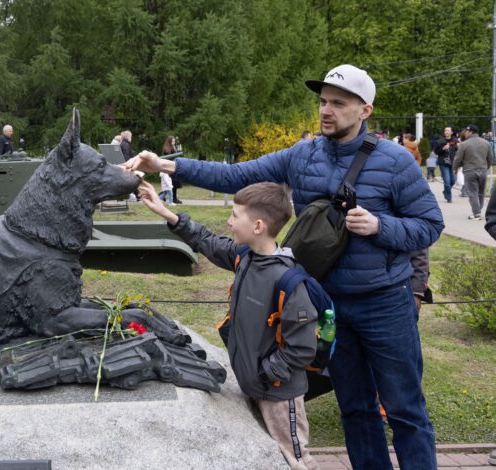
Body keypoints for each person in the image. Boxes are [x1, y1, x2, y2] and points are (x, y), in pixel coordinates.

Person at [126, 64, 443, 469]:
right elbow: (236, 175)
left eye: (338, 104)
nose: (326, 111)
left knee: (405, 412)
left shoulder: (396, 162)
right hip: (328, 306)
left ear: (364, 110)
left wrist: (381, 226)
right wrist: (167, 165)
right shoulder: (302, 154)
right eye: (323, 102)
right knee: (356, 409)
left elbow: (429, 226)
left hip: (385, 304)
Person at [139, 180, 319, 469]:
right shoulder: (244, 257)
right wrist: (166, 213)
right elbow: (206, 240)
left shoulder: (288, 282)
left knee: (295, 459)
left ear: (257, 226)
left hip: (278, 396)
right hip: (256, 386)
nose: (229, 220)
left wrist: (265, 375)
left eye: (236, 215)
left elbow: (302, 347)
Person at [452, 124, 494, 220]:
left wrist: (455, 168)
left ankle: (477, 213)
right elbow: (490, 158)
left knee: (472, 192)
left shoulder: (464, 144)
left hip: (470, 171)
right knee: (481, 192)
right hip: (483, 170)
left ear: (470, 132)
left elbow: (458, 159)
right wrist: (486, 167)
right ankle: (478, 211)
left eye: (467, 132)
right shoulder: (486, 143)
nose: (465, 133)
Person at [433, 126, 458, 203]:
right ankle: (449, 198)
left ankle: (446, 191)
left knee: (453, 180)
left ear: (451, 132)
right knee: (447, 180)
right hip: (443, 163)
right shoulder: (440, 141)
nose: (446, 132)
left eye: (448, 130)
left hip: (453, 163)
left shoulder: (455, 140)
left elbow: (458, 150)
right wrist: (443, 149)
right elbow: (435, 152)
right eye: (445, 130)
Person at [162, 135, 183, 203]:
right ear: (169, 141)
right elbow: (168, 158)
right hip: (169, 168)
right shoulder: (167, 149)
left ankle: (166, 197)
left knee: (171, 184)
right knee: (171, 184)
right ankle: (173, 198)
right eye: (173, 141)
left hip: (173, 167)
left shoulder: (173, 147)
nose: (174, 142)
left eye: (174, 141)